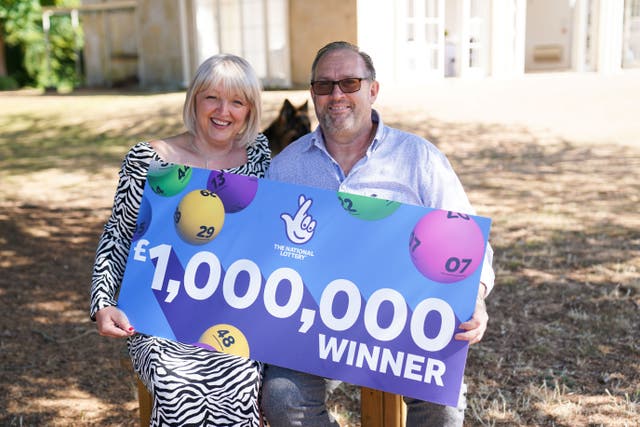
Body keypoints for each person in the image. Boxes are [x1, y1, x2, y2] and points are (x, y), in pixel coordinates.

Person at [262, 41, 495, 426]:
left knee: (442, 406)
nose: (336, 95)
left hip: (405, 319)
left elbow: (470, 241)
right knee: (283, 396)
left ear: (373, 90)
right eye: (324, 86)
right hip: (312, 322)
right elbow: (266, 252)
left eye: (350, 83)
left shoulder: (418, 158)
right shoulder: (285, 168)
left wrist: (478, 296)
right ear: (313, 94)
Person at [90, 54, 270, 426]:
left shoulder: (258, 159)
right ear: (193, 100)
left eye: (237, 101)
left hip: (232, 313)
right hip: (159, 314)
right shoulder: (150, 159)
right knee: (177, 385)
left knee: (238, 385)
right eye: (212, 98)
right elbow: (119, 234)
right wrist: (103, 303)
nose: (223, 111)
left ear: (249, 110)